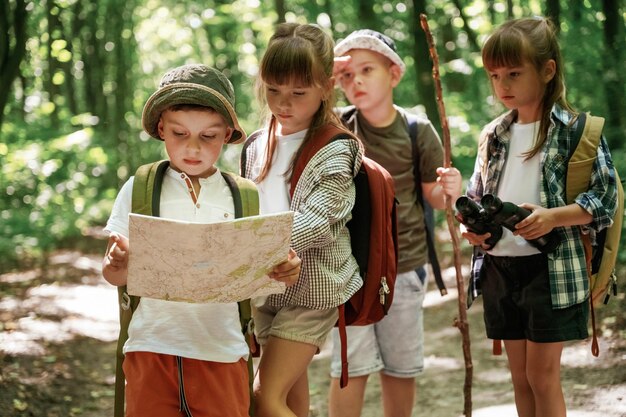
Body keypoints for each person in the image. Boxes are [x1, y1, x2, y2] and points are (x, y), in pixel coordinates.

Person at [101, 63, 301, 417]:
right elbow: (114, 275)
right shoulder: (140, 187)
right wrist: (118, 264)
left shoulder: (245, 196)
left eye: (207, 136)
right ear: (161, 128)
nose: (192, 148)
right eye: (179, 133)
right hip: (151, 347)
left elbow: (257, 280)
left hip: (221, 351)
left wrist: (283, 269)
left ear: (226, 134)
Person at [461, 17, 617, 417]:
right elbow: (477, 195)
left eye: (514, 73)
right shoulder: (494, 135)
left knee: (542, 377)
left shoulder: (574, 132)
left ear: (547, 71)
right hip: (501, 268)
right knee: (520, 379)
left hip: (551, 269)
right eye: (495, 75)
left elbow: (604, 199)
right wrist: (473, 230)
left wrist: (551, 218)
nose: (503, 86)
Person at [329, 29, 463, 417]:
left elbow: (433, 197)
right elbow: (293, 106)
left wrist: (449, 188)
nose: (355, 81)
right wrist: (324, 77)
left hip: (403, 269)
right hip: (348, 270)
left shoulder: (416, 130)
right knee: (350, 368)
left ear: (394, 74)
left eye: (366, 70)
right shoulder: (336, 127)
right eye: (345, 75)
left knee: (400, 368)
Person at [240, 23, 364, 417]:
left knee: (263, 398)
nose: (283, 103)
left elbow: (320, 219)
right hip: (266, 289)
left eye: (298, 92)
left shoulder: (336, 147)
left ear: (327, 86)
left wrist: (267, 245)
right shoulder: (256, 145)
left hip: (313, 288)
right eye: (273, 90)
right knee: (291, 399)